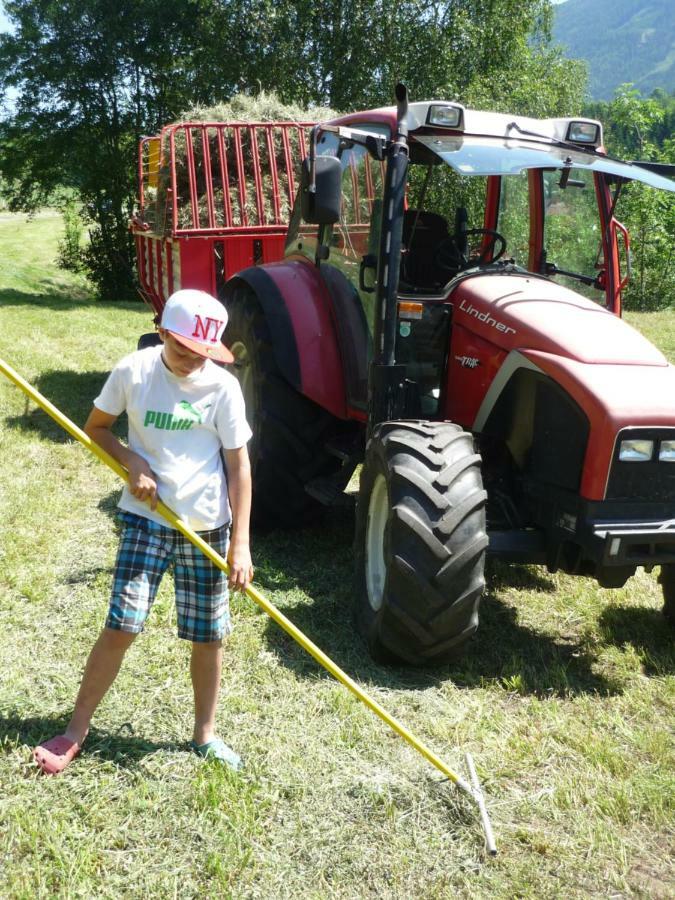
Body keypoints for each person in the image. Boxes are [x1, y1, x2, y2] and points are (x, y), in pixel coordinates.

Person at [33, 289, 253, 774]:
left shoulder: (222, 387)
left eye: (202, 353)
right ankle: (75, 731)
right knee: (122, 623)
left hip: (208, 524)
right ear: (160, 332)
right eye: (181, 349)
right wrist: (131, 461)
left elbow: (239, 467)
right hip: (146, 517)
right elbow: (98, 427)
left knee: (208, 636)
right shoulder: (134, 372)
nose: (191, 361)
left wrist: (240, 544)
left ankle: (204, 736)